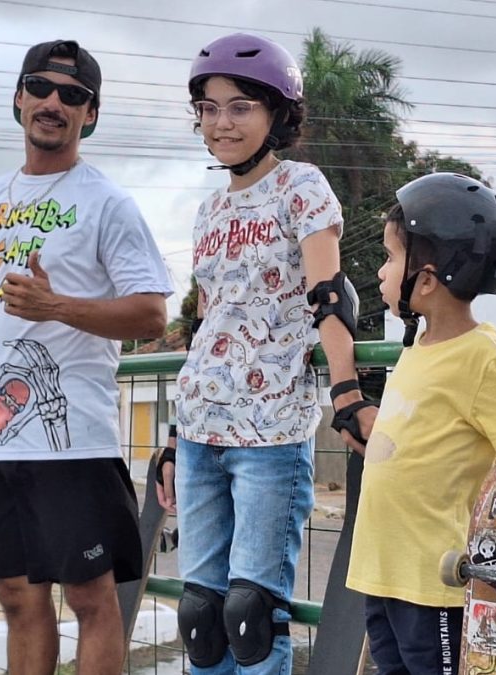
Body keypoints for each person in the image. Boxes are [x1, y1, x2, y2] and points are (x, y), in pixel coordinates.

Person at [0, 40, 173, 675]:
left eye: (72, 96)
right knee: (17, 597)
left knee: (89, 597)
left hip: (72, 438)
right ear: (19, 98)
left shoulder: (109, 202)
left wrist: (58, 308)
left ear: (90, 115)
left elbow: (152, 313)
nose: (54, 103)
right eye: (41, 88)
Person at [157, 32, 377, 675]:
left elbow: (329, 298)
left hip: (272, 430)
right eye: (210, 106)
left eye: (241, 106)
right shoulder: (207, 210)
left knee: (250, 614)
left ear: (277, 114)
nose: (222, 122)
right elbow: (204, 329)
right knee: (201, 614)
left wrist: (346, 391)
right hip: (201, 429)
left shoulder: (300, 187)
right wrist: (173, 436)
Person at [345, 173, 496, 675]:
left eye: (389, 257)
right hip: (384, 572)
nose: (382, 271)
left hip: (436, 582)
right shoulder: (417, 349)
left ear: (425, 280)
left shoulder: (481, 354)